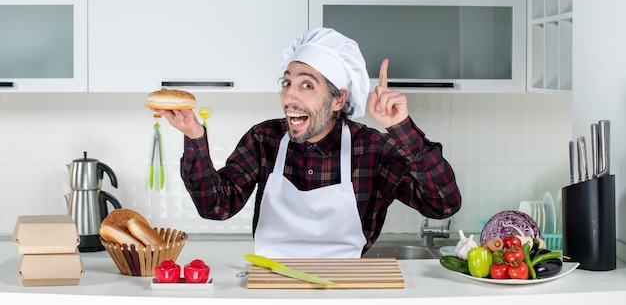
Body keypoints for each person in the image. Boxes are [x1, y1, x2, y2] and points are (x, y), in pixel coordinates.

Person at [153, 27, 461, 258]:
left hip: (343, 292)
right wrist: (194, 137)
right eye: (287, 83)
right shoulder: (265, 139)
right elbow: (215, 206)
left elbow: (442, 204)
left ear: (338, 99)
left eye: (306, 85)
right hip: (270, 288)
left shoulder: (372, 149)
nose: (289, 96)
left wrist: (401, 128)